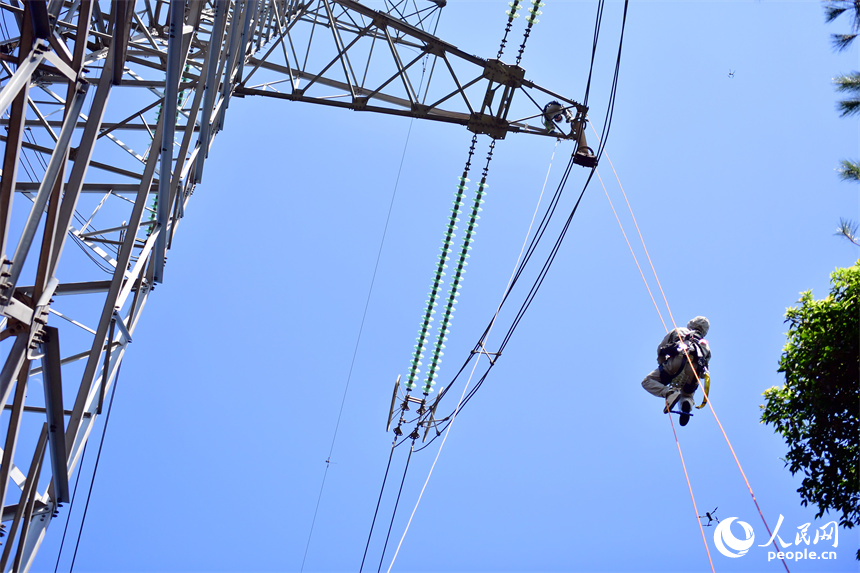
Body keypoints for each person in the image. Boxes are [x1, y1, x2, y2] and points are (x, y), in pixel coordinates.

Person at [641, 316, 711, 426]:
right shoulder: (705, 345)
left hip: (677, 361)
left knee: (647, 381)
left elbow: (661, 348)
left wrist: (663, 366)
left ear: (691, 323)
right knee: (688, 394)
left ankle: (670, 393)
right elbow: (703, 372)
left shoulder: (680, 331)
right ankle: (686, 403)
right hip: (694, 371)